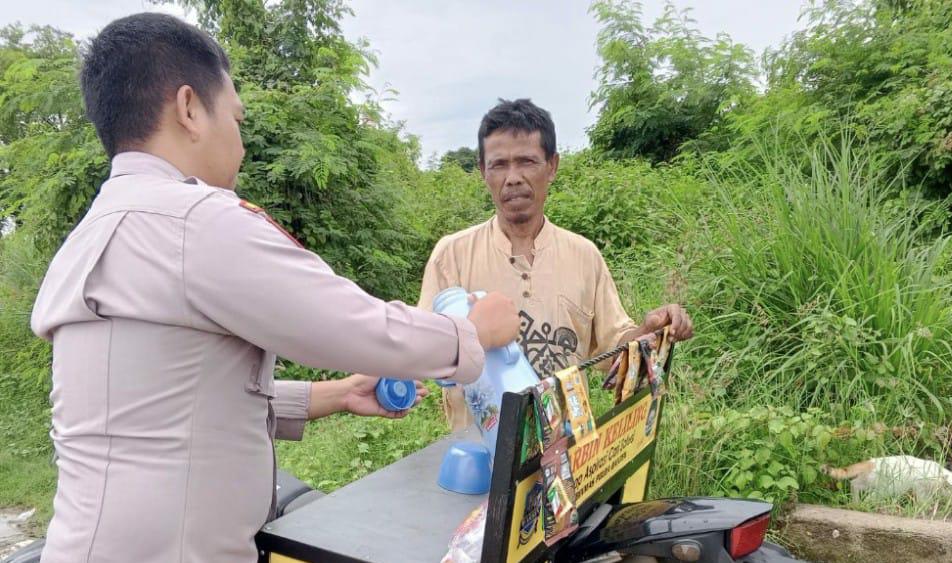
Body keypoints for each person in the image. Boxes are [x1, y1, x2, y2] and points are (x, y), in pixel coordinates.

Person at [29, 13, 519, 562]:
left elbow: (160, 410)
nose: (240, 145)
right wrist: (469, 332)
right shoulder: (195, 221)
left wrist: (335, 395)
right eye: (235, 118)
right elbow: (350, 324)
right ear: (189, 109)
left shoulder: (93, 231)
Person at [419, 99, 693, 431]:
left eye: (527, 161)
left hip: (571, 450)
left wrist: (649, 331)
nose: (513, 178)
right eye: (499, 165)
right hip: (480, 453)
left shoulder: (584, 255)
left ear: (552, 166)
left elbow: (614, 353)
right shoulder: (452, 255)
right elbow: (422, 350)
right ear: (482, 171)